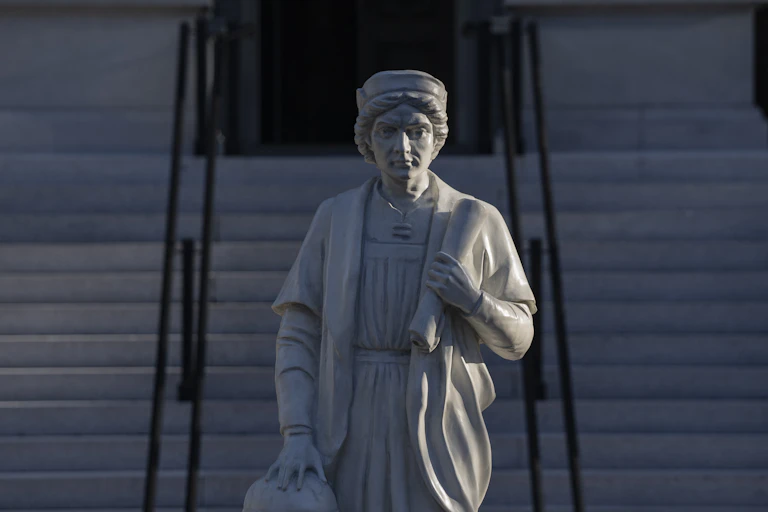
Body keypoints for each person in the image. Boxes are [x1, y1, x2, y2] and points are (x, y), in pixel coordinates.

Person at [264, 70, 536, 512]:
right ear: (368, 141)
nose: (403, 147)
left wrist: (474, 301)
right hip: (349, 415)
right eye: (388, 131)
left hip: (437, 417)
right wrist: (297, 434)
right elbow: (297, 335)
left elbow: (518, 339)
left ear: (437, 139)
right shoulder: (336, 218)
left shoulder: (476, 220)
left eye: (417, 131)